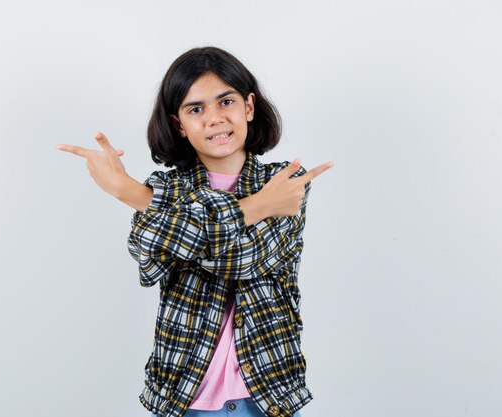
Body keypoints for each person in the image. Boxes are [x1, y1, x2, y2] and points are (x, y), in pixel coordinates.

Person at [56, 46, 333, 417]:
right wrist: (258, 207)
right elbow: (147, 254)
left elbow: (243, 258)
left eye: (226, 102)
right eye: (196, 109)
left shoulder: (284, 181)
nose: (215, 119)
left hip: (269, 391)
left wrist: (131, 194)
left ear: (249, 107)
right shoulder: (166, 189)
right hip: (183, 392)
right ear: (179, 125)